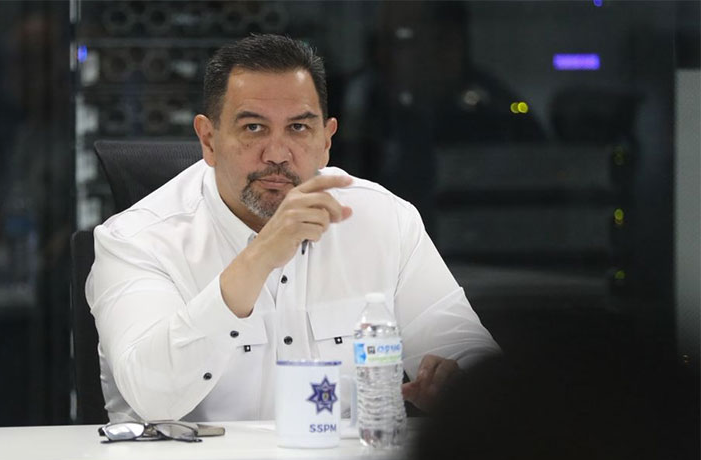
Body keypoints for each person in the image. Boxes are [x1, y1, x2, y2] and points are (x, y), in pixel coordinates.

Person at [86, 34, 501, 423]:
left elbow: (469, 356)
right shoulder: (136, 241)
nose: (277, 154)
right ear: (208, 140)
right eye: (253, 128)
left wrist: (457, 387)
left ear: (326, 139)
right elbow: (153, 398)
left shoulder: (384, 219)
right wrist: (261, 255)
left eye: (298, 128)